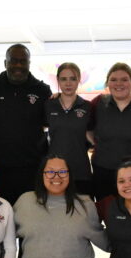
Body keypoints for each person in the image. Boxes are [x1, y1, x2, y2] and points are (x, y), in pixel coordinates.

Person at [14, 154, 108, 258]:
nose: (56, 176)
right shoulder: (25, 201)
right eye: (50, 171)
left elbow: (105, 242)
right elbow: (5, 234)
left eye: (63, 172)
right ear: (42, 175)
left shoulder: (85, 204)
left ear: (70, 175)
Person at [0, 43, 52, 204]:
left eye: (23, 61)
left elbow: (53, 123)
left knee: (29, 221)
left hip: (32, 170)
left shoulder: (42, 90)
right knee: (0, 222)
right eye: (13, 61)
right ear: (5, 63)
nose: (18, 65)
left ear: (29, 64)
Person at [89, 63, 131, 201]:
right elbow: (88, 129)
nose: (118, 83)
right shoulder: (99, 103)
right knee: (107, 212)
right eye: (113, 79)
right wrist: (102, 145)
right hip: (104, 170)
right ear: (107, 83)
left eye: (124, 79)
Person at [45, 62, 93, 196]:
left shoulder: (87, 107)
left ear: (79, 80)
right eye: (63, 79)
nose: (68, 83)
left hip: (80, 170)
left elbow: (93, 136)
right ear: (58, 81)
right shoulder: (48, 105)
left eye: (72, 78)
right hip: (54, 172)